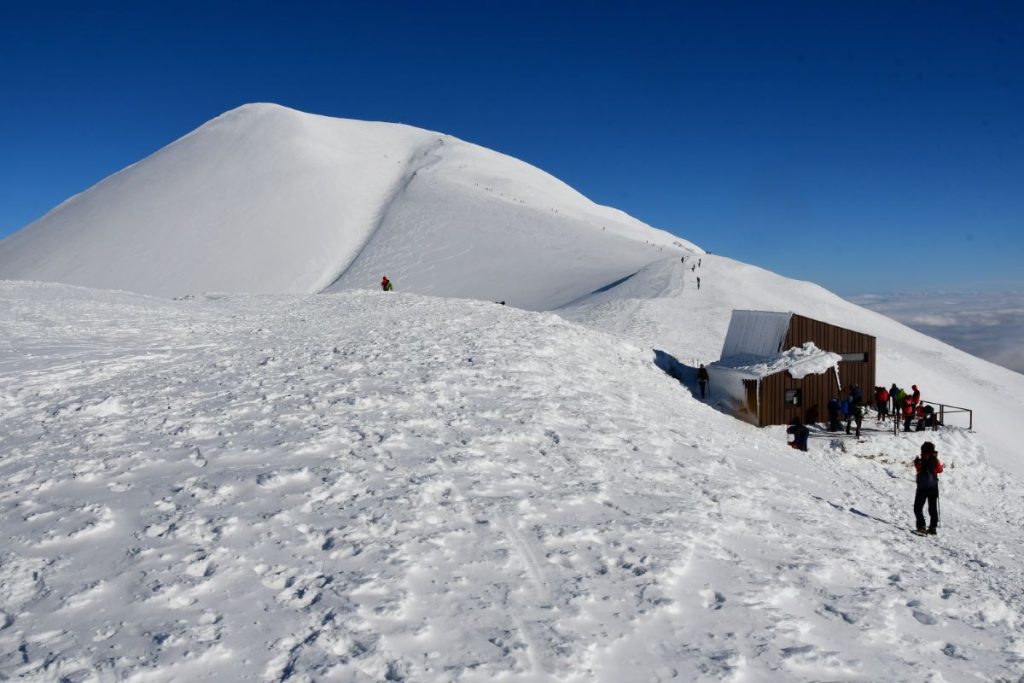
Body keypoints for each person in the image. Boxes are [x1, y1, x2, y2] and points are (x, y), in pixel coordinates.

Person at [913, 441, 943, 534]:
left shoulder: (921, 460)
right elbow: (940, 470)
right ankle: (933, 528)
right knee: (932, 508)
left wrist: (916, 463)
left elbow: (919, 469)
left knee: (918, 508)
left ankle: (921, 527)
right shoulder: (935, 459)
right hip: (933, 488)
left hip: (922, 488)